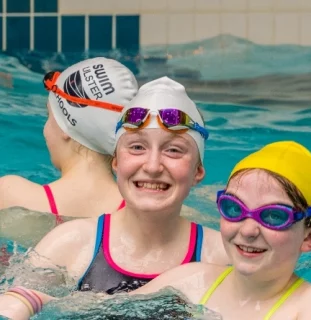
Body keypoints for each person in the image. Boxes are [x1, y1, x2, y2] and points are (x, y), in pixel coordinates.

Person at [0, 77, 229, 320]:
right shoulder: (69, 245)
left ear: (198, 171)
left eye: (173, 150)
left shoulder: (221, 257)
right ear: (116, 162)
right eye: (137, 147)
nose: (152, 166)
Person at [128, 141, 311, 320]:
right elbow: (98, 308)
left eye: (274, 216)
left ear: (308, 237)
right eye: (234, 208)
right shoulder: (192, 281)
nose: (249, 230)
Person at [0, 57, 138, 222]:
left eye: (49, 116)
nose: (45, 129)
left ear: (67, 127)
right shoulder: (143, 212)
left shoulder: (11, 195)